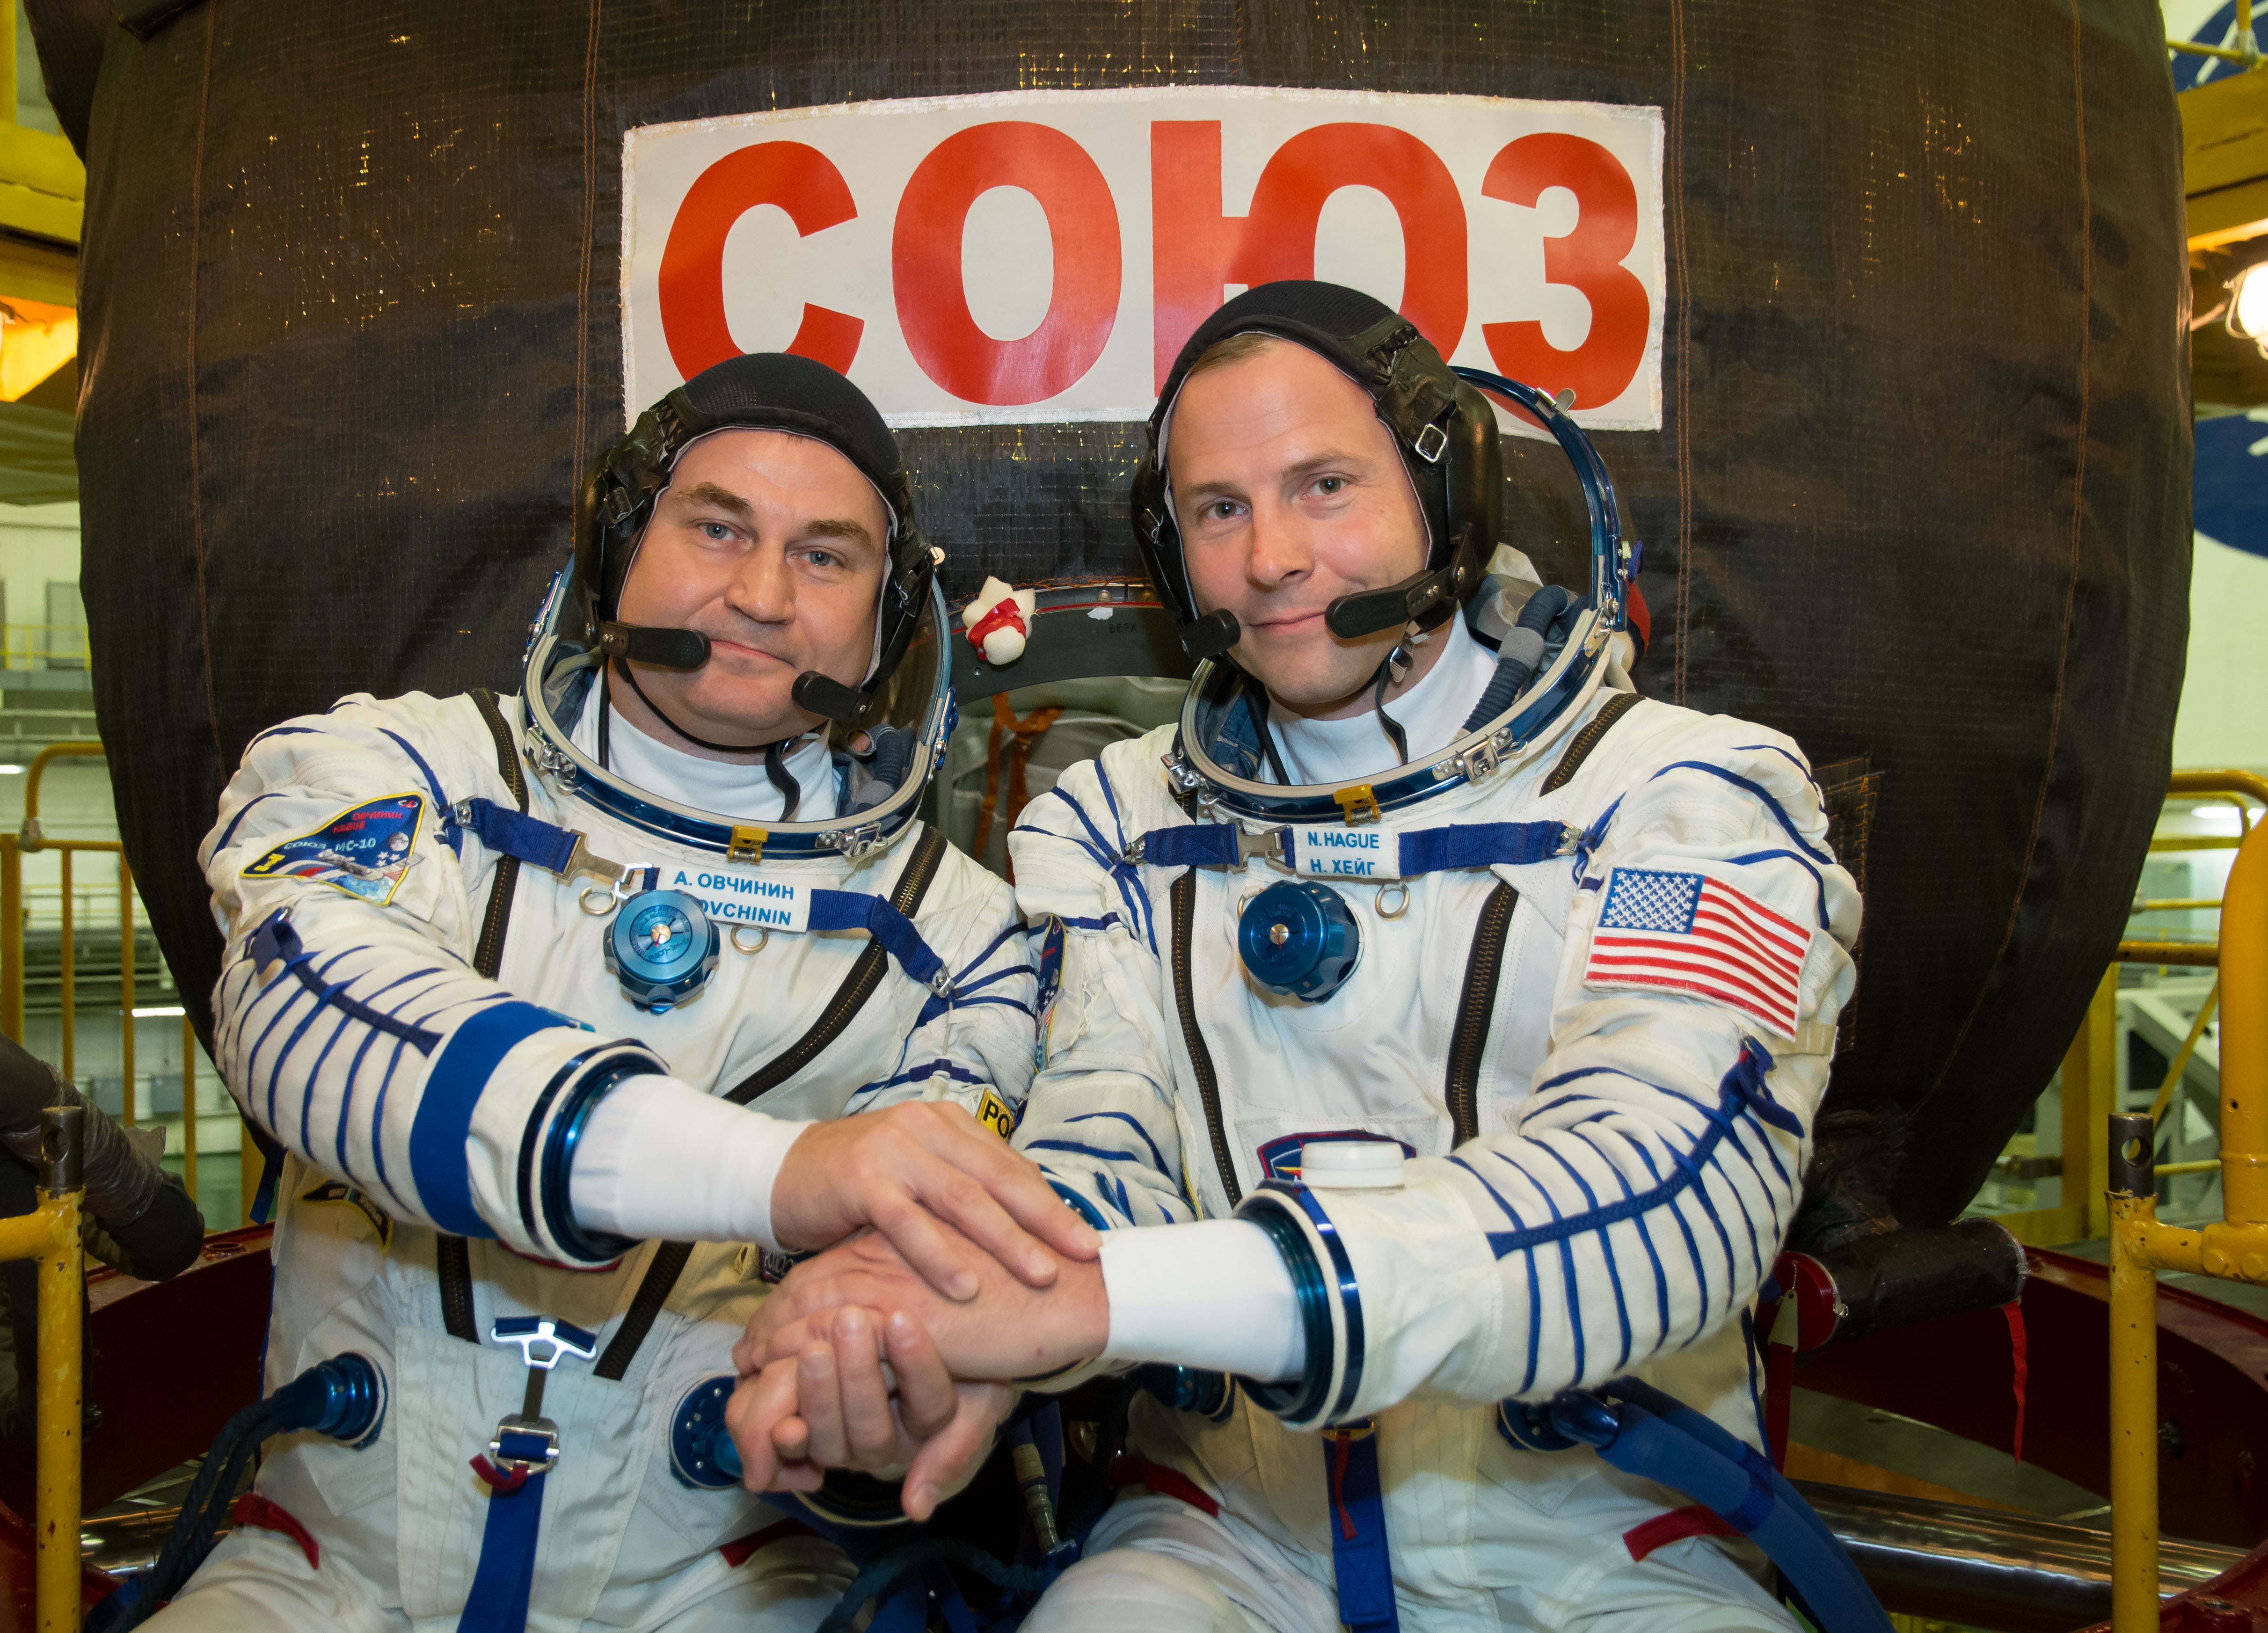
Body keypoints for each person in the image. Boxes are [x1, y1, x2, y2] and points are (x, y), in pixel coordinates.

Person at [729, 283, 1863, 1633]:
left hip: (1604, 1540)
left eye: (1323, 484)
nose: (1269, 556)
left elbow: (1665, 1196)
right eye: (1218, 509)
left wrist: (1099, 1303)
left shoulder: (1689, 792)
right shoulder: (1115, 824)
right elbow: (1102, 1152)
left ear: (1448, 491)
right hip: (1225, 1534)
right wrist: (927, 1319)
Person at [155, 353, 1088, 1633]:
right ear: (612, 549)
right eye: (717, 527)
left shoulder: (963, 940)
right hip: (320, 1570)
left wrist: (886, 1392)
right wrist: (787, 1169)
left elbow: (902, 1283)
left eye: (825, 558)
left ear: (887, 620)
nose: (760, 595)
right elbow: (308, 1024)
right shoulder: (387, 771)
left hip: (717, 1580)